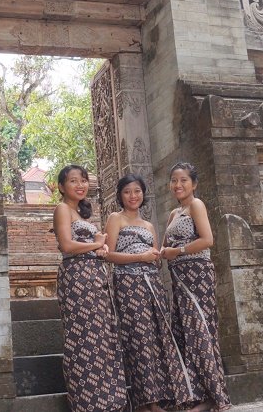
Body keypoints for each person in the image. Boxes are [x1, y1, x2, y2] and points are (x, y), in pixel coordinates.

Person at [105, 174, 193, 412]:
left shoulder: (149, 226)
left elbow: (155, 256)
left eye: (137, 191)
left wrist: (153, 258)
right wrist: (139, 257)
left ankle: (164, 397)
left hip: (152, 284)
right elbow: (109, 255)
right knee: (138, 338)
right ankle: (146, 402)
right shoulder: (115, 219)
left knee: (157, 338)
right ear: (120, 196)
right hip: (128, 284)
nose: (133, 196)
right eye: (127, 192)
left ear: (143, 194)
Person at [53, 164, 128, 412]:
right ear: (62, 187)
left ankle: (110, 400)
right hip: (77, 278)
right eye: (73, 181)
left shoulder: (82, 214)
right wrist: (96, 245)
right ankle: (88, 403)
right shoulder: (62, 209)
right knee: (83, 339)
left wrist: (101, 249)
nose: (80, 185)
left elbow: (89, 246)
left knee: (103, 336)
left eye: (83, 180)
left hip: (95, 276)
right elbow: (67, 246)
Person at [160, 162, 231, 412]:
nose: (177, 185)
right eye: (173, 180)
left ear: (194, 184)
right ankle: (198, 396)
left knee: (201, 332)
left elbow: (207, 240)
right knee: (185, 336)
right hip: (178, 278)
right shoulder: (173, 214)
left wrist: (177, 251)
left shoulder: (196, 205)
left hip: (197, 276)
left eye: (183, 180)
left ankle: (216, 396)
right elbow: (163, 249)